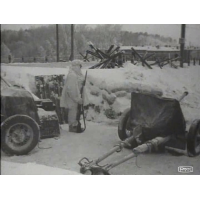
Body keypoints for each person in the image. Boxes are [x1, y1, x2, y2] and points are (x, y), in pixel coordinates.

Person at [60, 60, 88, 133]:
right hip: (72, 98)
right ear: (76, 66)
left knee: (75, 112)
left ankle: (74, 126)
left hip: (73, 98)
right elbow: (71, 89)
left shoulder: (75, 75)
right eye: (79, 66)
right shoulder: (72, 76)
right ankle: (73, 127)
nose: (80, 68)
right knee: (73, 112)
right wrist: (77, 99)